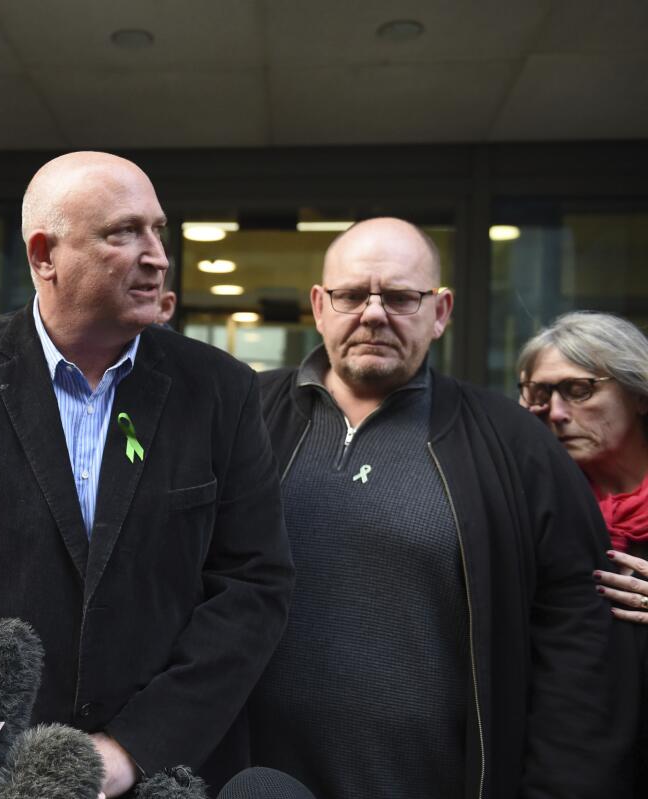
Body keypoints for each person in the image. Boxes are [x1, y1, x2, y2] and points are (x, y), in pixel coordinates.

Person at [0, 151, 294, 796]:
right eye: (123, 233)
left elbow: (253, 586)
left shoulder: (220, 390)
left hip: (165, 774)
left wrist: (130, 750)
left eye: (158, 231)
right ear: (44, 254)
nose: (157, 256)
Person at [249, 217, 634, 797]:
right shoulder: (241, 419)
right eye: (352, 295)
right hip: (254, 781)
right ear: (320, 305)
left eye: (402, 297)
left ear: (441, 311)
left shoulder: (513, 443)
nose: (373, 314)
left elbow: (579, 641)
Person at [518, 312, 648, 619]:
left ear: (639, 395)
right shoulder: (533, 502)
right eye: (542, 394)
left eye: (579, 390)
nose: (557, 413)